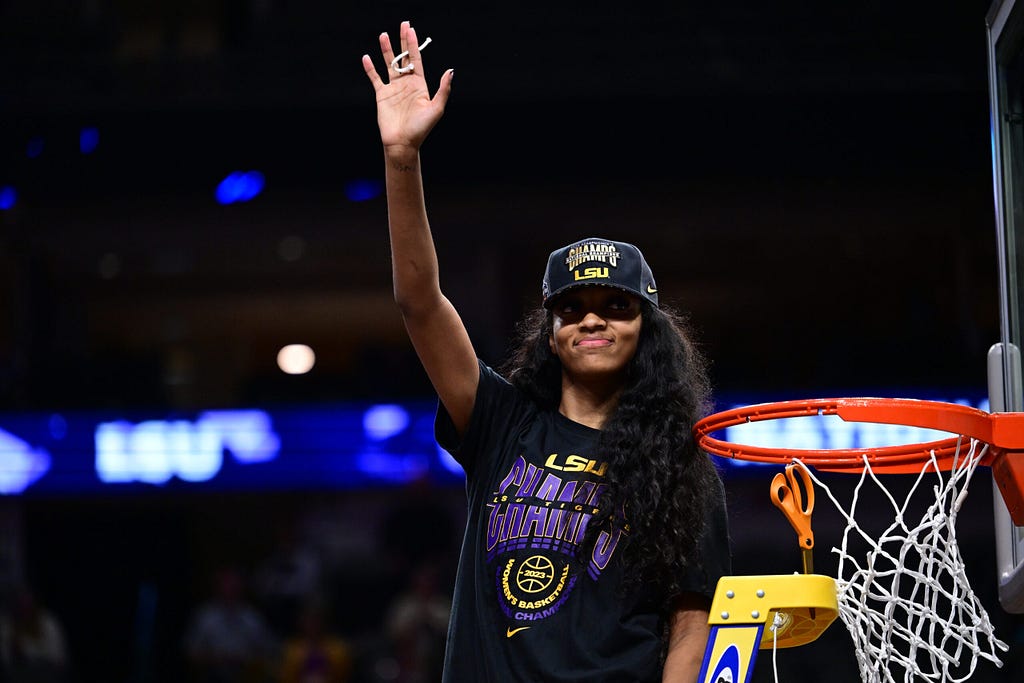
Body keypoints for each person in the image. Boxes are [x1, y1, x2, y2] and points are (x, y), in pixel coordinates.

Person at [361, 21, 731, 682]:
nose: (594, 320)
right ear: (550, 330)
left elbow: (691, 622)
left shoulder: (681, 463)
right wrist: (402, 161)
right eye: (573, 307)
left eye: (617, 306)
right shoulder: (502, 424)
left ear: (646, 329)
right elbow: (419, 302)